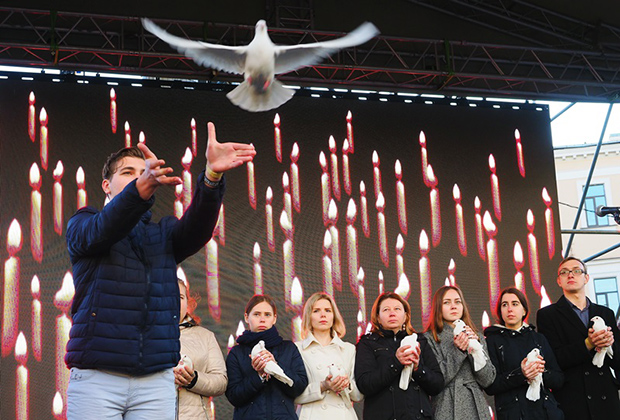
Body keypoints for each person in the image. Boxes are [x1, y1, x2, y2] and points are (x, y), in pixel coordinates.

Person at [65, 122, 255, 420]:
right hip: (97, 379)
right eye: (128, 172)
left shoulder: (162, 234)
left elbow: (196, 229)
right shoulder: (84, 221)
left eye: (143, 172)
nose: (139, 178)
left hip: (155, 382)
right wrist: (139, 191)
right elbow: (101, 230)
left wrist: (212, 177)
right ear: (106, 184)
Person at [537, 257, 620, 420]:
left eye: (576, 271)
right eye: (564, 272)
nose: (570, 275)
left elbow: (618, 359)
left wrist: (609, 346)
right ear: (558, 281)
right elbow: (554, 359)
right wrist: (588, 343)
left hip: (606, 397)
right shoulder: (547, 315)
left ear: (586, 278)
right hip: (573, 400)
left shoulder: (605, 313)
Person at [355, 292, 444, 420]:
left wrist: (417, 368)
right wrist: (395, 363)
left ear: (406, 316)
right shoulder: (367, 343)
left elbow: (437, 384)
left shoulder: (419, 340)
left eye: (397, 309)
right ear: (378, 318)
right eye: (386, 310)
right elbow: (365, 384)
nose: (392, 313)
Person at [485, 287, 564, 420]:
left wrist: (540, 372)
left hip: (546, 412)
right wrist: (521, 374)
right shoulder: (492, 341)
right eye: (504, 305)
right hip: (513, 413)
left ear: (524, 310)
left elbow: (558, 379)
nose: (510, 309)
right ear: (500, 311)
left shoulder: (538, 338)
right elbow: (491, 386)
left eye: (515, 304)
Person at [225, 294, 308, 419]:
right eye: (257, 314)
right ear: (247, 318)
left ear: (274, 319)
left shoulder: (288, 348)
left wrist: (276, 368)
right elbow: (233, 396)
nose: (262, 319)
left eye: (267, 315)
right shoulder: (237, 353)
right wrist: (259, 376)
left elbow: (300, 386)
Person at [423, 286, 495, 420]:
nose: (453, 306)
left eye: (457, 302)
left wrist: (476, 351)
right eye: (446, 302)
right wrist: (457, 351)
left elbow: (488, 380)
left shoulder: (476, 336)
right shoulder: (428, 338)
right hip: (446, 405)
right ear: (438, 307)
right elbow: (436, 380)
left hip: (476, 406)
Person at [295, 292, 363, 420]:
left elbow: (359, 395)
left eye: (327, 310)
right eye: (316, 311)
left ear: (334, 316)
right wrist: (322, 386)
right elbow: (292, 395)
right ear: (309, 316)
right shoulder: (297, 349)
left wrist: (347, 385)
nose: (323, 315)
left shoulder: (348, 349)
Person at [174, 277, 227, 420]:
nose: (175, 301)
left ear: (188, 302)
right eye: (169, 295)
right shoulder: (145, 335)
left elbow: (221, 381)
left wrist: (193, 379)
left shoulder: (205, 336)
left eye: (180, 297)